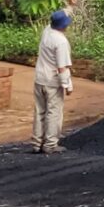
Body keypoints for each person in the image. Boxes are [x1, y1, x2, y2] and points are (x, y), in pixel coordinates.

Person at [32, 9, 74, 155]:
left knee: (39, 111)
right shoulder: (61, 42)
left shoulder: (46, 31)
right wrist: (67, 86)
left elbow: (60, 13)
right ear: (63, 26)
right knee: (53, 113)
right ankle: (50, 144)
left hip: (39, 79)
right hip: (52, 81)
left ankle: (37, 144)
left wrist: (70, 5)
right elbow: (62, 68)